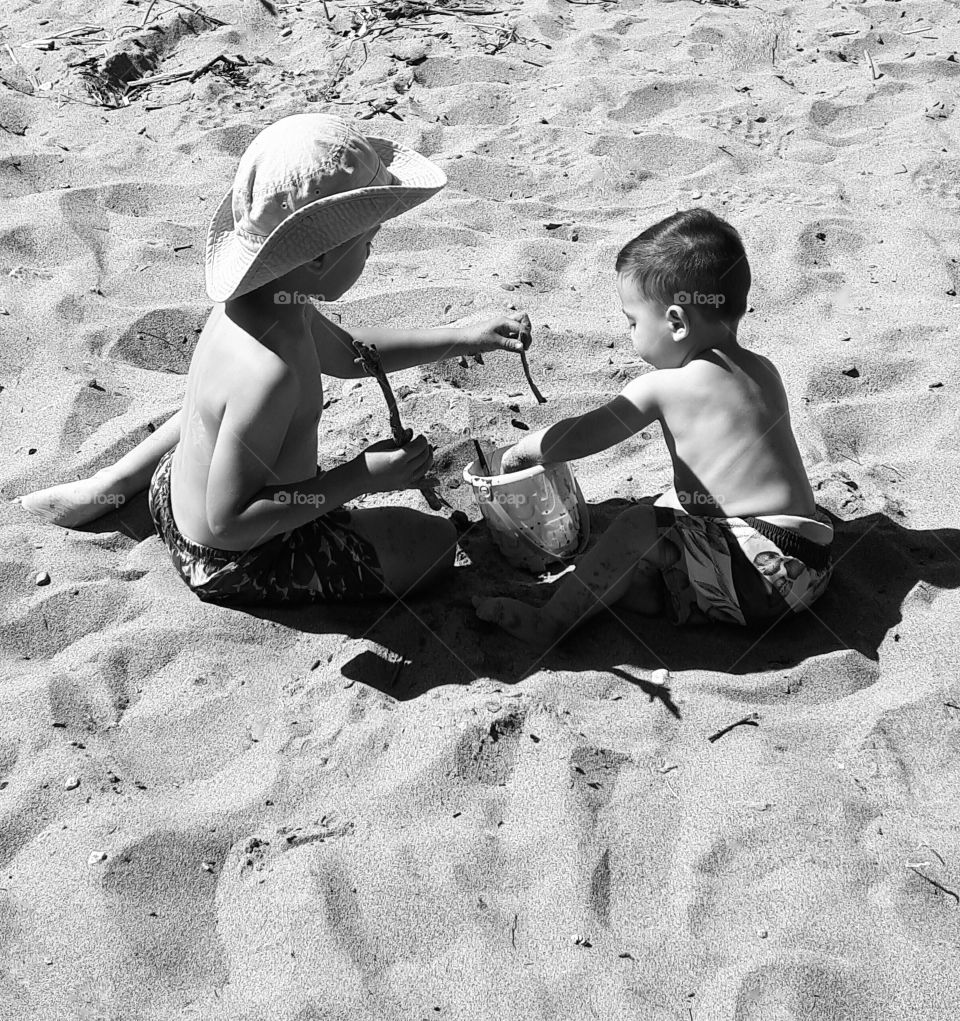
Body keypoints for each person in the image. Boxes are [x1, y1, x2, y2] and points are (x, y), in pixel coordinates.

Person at [21, 113, 531, 604]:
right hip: (235, 557)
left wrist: (461, 338)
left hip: (171, 489)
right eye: (368, 242)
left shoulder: (267, 303)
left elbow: (354, 356)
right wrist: (360, 477)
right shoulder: (272, 373)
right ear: (316, 257)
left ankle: (115, 483)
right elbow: (230, 523)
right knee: (431, 546)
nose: (371, 254)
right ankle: (117, 488)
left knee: (209, 418)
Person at [474, 208, 833, 648]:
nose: (629, 332)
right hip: (809, 565)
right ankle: (673, 595)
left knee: (637, 524)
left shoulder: (664, 386)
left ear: (677, 323)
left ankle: (548, 623)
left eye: (632, 322)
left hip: (759, 577)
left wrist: (524, 453)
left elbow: (586, 434)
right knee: (671, 510)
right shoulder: (765, 370)